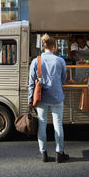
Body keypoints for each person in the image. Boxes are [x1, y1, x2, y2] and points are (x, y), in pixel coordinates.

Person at [28, 34, 69, 163]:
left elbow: (31, 83)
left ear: (44, 46)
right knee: (58, 125)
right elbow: (63, 79)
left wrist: (30, 99)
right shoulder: (60, 61)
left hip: (41, 98)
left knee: (42, 125)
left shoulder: (36, 61)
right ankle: (60, 153)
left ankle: (43, 152)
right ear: (54, 47)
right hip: (57, 97)